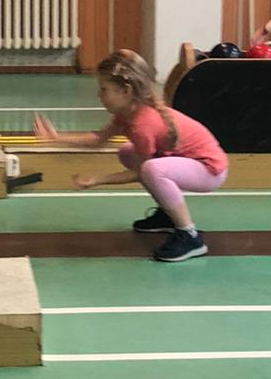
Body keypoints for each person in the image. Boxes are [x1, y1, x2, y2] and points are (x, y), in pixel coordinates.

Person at [33, 49, 227, 263]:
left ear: (125, 91)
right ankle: (167, 215)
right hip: (190, 163)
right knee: (127, 151)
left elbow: (140, 172)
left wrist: (97, 179)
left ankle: (189, 235)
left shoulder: (143, 124)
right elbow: (98, 138)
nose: (99, 95)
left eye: (104, 89)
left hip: (208, 170)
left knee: (151, 169)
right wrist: (56, 137)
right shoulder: (127, 114)